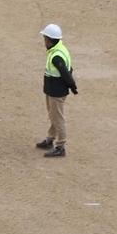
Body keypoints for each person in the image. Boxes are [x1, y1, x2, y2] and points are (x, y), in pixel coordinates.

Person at [37, 22, 77, 158]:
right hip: (53, 90)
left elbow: (65, 73)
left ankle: (60, 146)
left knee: (58, 119)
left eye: (45, 39)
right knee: (53, 116)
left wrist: (72, 86)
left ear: (49, 40)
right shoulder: (60, 49)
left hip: (56, 92)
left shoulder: (56, 56)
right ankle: (50, 139)